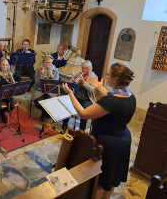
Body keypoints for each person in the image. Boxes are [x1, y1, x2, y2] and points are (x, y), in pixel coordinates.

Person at [62, 62, 136, 199]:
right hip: (123, 140)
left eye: (108, 74)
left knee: (100, 182)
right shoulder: (130, 96)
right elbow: (111, 97)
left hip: (106, 144)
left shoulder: (109, 102)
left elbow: (83, 113)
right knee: (111, 178)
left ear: (114, 79)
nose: (105, 76)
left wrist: (71, 94)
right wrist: (99, 87)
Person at [63, 60, 98, 131]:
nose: (84, 70)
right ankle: (64, 125)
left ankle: (82, 129)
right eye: (83, 68)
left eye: (86, 68)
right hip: (76, 97)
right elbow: (70, 85)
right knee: (67, 106)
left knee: (85, 111)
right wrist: (72, 79)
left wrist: (84, 82)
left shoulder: (94, 77)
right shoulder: (79, 74)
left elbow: (92, 89)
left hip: (87, 98)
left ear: (91, 68)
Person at [31, 56, 60, 121]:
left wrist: (52, 76)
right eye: (47, 63)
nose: (49, 65)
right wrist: (42, 76)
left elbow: (56, 83)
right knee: (38, 103)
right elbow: (37, 83)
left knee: (49, 102)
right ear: (43, 63)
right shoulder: (39, 70)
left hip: (51, 91)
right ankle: (46, 114)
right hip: (39, 90)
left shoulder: (55, 70)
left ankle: (43, 114)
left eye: (50, 63)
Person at [0, 57, 15, 123]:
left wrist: (10, 78)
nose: (5, 67)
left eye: (6, 65)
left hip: (6, 93)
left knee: (12, 106)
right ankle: (2, 115)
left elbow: (12, 84)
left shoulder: (8, 72)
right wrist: (3, 78)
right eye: (3, 65)